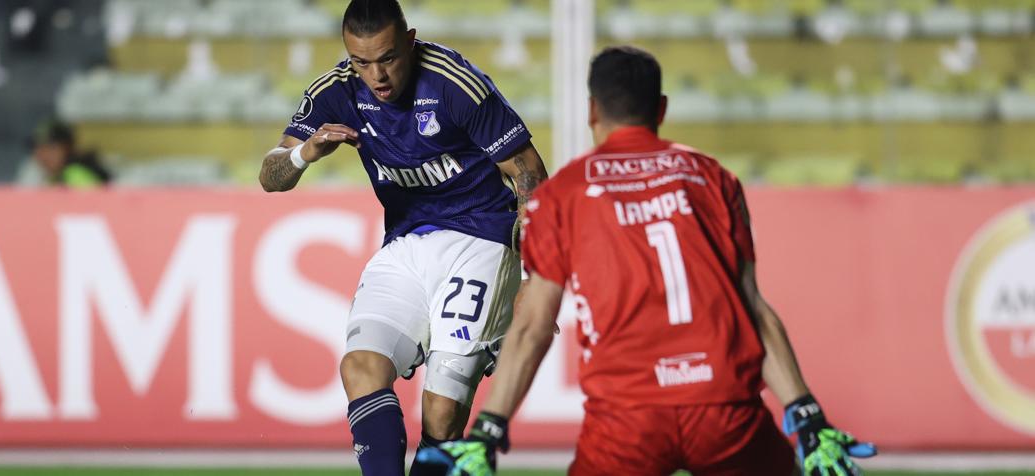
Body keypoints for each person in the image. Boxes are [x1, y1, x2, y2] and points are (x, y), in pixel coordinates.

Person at [418, 46, 876, 476]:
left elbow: (534, 323)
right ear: (661, 109)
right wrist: (805, 410)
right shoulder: (713, 178)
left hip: (626, 417)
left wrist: (490, 426)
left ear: (592, 111)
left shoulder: (562, 195)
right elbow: (752, 306)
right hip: (723, 408)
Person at [258, 1, 548, 475]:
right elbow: (271, 176)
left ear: (410, 41)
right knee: (360, 368)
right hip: (406, 244)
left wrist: (537, 277)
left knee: (442, 409)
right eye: (361, 62)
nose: (377, 75)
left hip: (480, 240)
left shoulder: (455, 84)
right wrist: (306, 152)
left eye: (388, 58)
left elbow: (530, 175)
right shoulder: (337, 89)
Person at [27, 119, 111, 188]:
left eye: (51, 148)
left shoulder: (75, 174)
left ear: (67, 148)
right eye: (38, 148)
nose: (44, 155)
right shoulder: (44, 176)